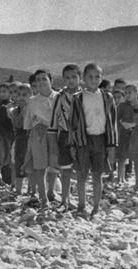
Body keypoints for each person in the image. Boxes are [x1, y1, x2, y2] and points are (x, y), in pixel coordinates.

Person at [69, 63, 117, 218]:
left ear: (101, 78)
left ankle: (96, 206)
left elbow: (112, 120)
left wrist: (111, 144)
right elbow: (73, 122)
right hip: (83, 141)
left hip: (101, 140)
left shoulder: (107, 97)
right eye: (90, 76)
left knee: (97, 175)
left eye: (97, 76)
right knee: (82, 174)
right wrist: (72, 144)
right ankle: (81, 205)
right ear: (83, 78)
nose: (94, 80)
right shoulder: (78, 98)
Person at [47, 64, 82, 210]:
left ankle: (81, 201)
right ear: (63, 79)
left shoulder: (85, 95)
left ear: (80, 77)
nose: (71, 80)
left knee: (81, 170)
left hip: (82, 137)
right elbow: (54, 119)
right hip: (65, 135)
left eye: (74, 77)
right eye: (67, 77)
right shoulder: (60, 96)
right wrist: (53, 140)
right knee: (66, 169)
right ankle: (64, 200)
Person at [23, 70, 59, 210]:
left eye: (44, 79)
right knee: (40, 167)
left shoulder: (59, 97)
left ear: (51, 80)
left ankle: (51, 191)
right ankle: (43, 198)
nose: (41, 82)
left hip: (55, 133)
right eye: (38, 80)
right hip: (39, 135)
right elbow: (28, 122)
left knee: (54, 165)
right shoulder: (32, 101)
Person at [9, 84, 30, 195]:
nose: (21, 97)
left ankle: (31, 190)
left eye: (25, 95)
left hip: (31, 138)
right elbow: (17, 123)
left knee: (31, 163)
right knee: (18, 162)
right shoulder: (14, 111)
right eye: (19, 95)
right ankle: (18, 189)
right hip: (20, 139)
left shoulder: (32, 108)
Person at [115, 85, 135, 185]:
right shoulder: (122, 106)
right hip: (124, 134)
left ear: (136, 93)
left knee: (136, 157)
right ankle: (120, 178)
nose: (127, 95)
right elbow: (116, 120)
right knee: (122, 157)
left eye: (129, 92)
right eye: (126, 93)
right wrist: (124, 125)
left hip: (136, 135)